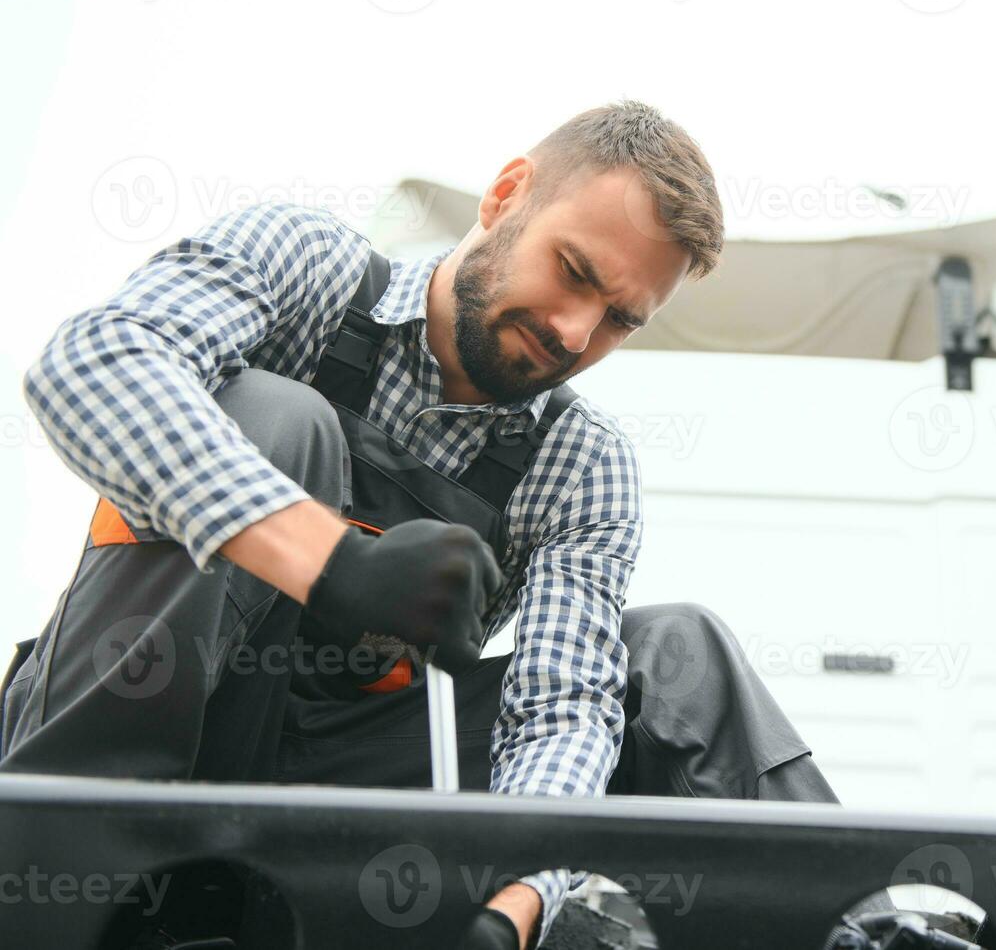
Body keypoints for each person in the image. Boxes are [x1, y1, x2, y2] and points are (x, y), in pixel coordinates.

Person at [0, 101, 838, 950]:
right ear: (507, 194)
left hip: (342, 788)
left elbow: (558, 714)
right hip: (140, 723)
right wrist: (329, 560)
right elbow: (91, 364)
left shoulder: (583, 467)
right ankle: (68, 873)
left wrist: (511, 907)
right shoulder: (306, 266)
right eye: (575, 271)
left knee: (677, 653)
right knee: (279, 417)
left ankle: (881, 920)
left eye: (621, 319)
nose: (576, 331)